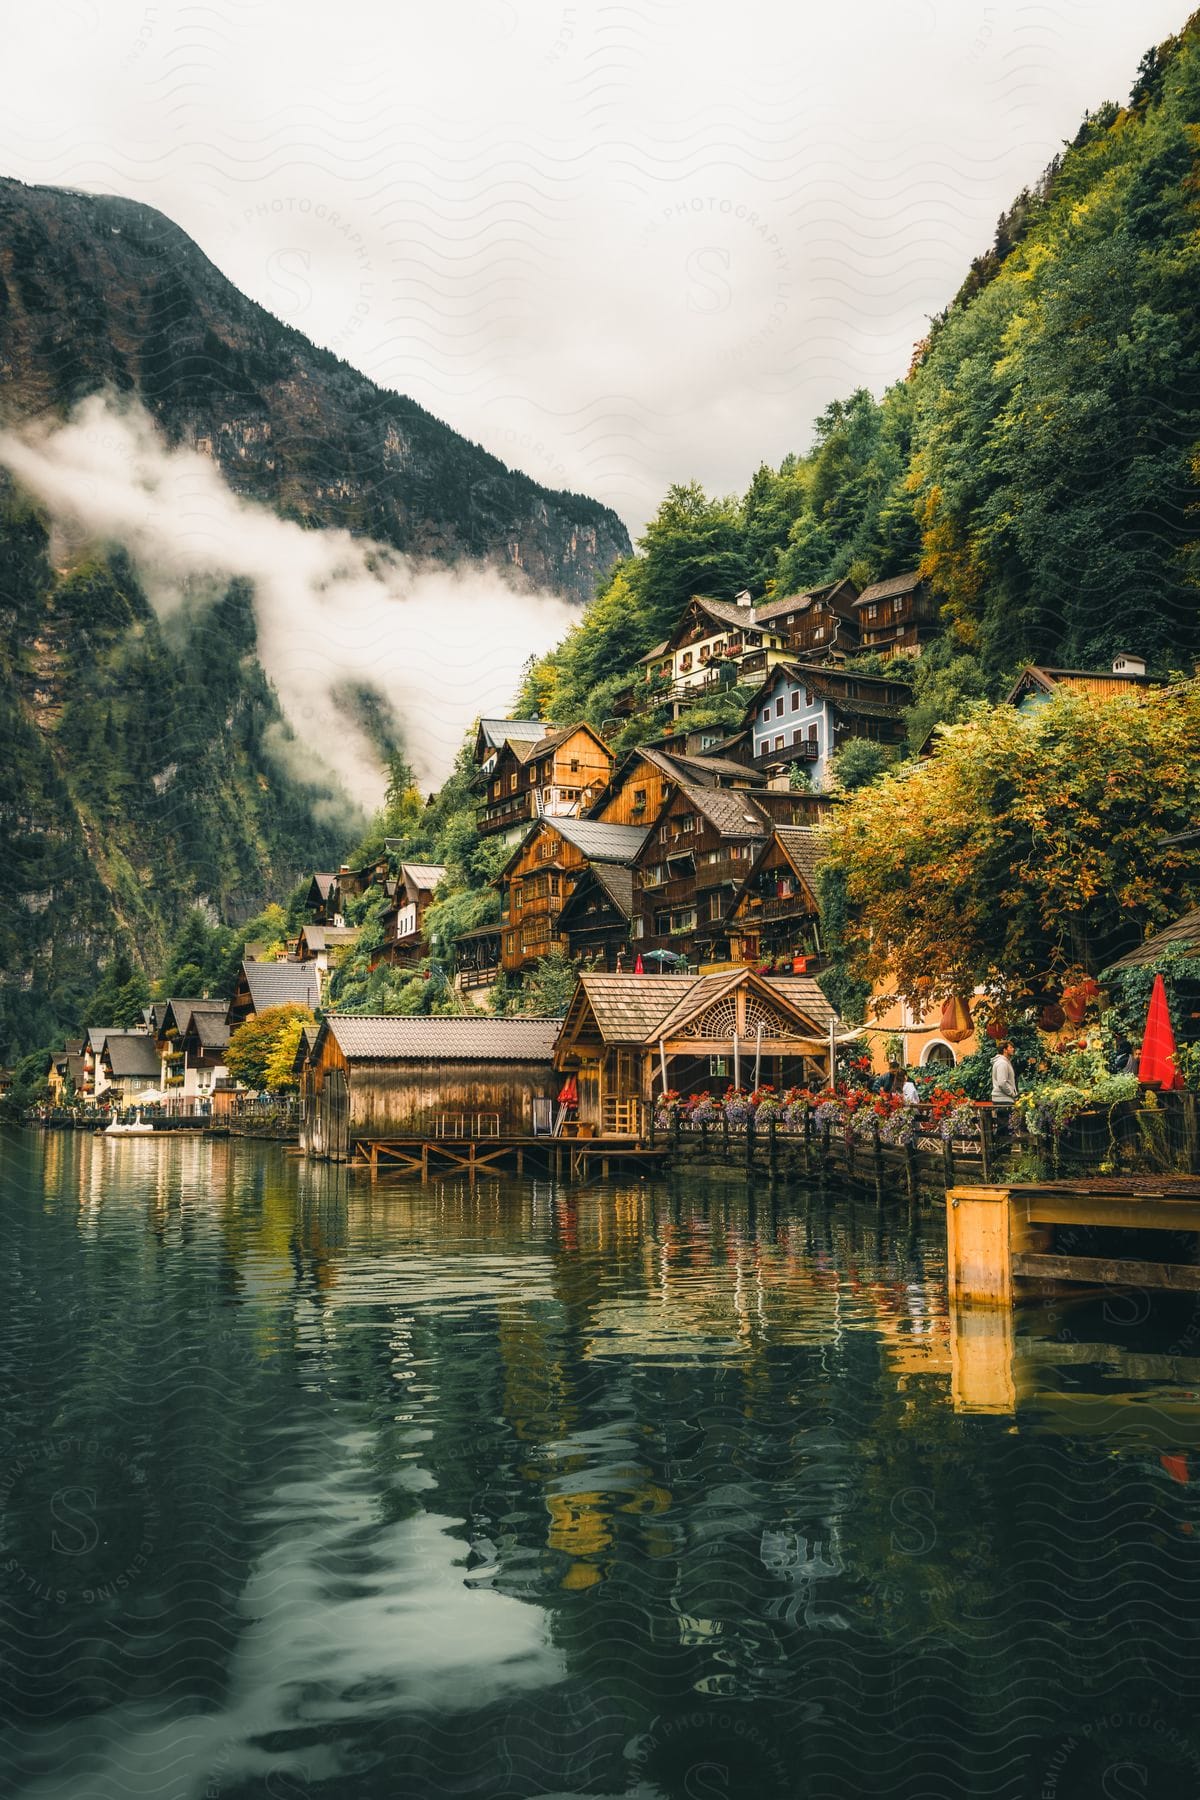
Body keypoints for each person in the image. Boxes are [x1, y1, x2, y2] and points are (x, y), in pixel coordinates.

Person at [991, 1041, 1018, 1132]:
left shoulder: (1004, 1062)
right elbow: (1002, 1083)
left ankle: (1003, 1145)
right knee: (1004, 1129)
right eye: (1010, 1047)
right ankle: (1003, 1146)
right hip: (1003, 1099)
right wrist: (1012, 1093)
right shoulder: (1002, 1063)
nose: (1013, 1049)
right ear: (1005, 1050)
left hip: (1003, 1098)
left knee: (1004, 1127)